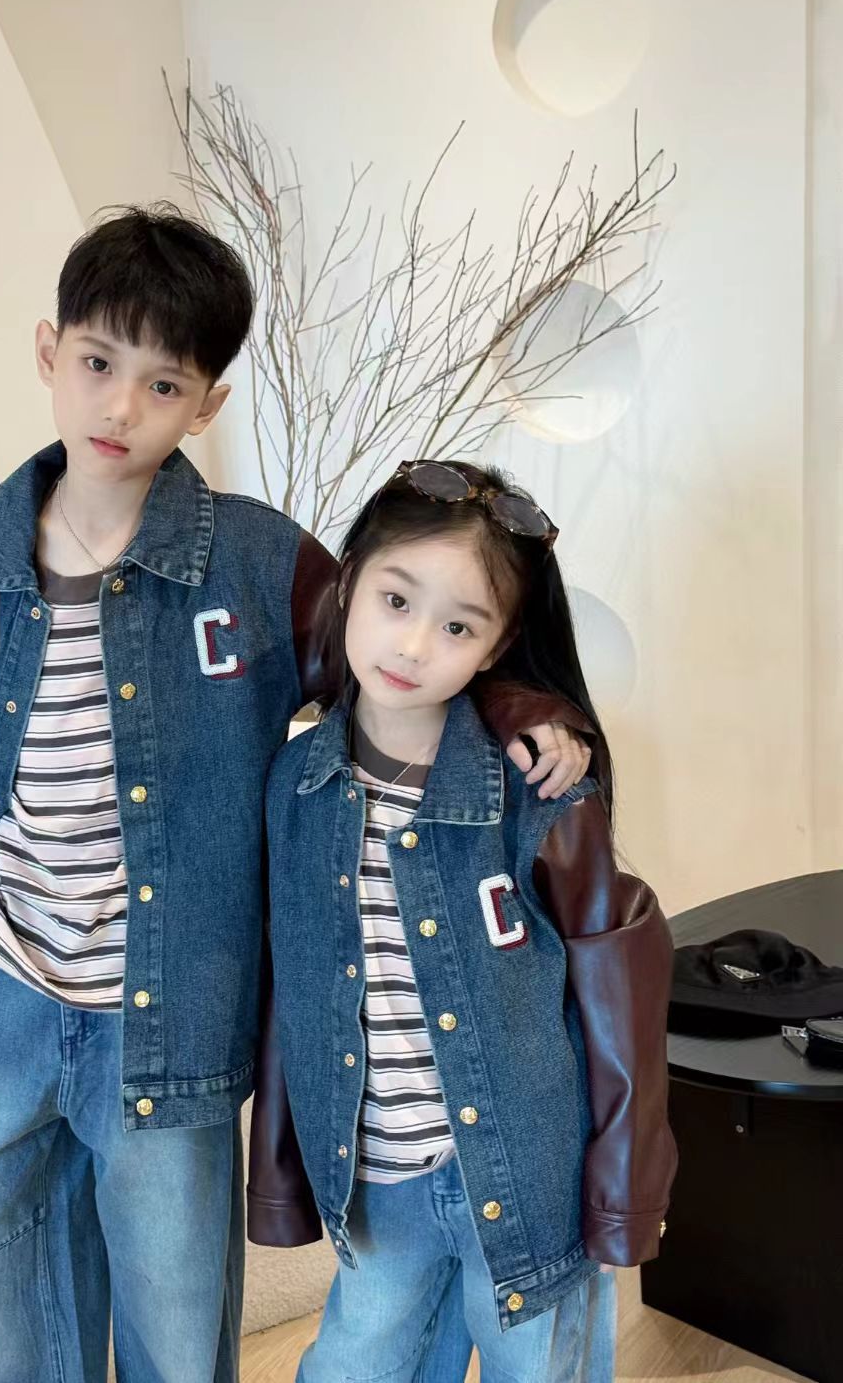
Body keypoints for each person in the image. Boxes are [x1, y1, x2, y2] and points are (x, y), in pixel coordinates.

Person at [0, 208, 592, 1383]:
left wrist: (517, 707)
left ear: (204, 404)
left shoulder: (257, 562)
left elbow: (393, 657)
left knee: (174, 1303)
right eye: (97, 362)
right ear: (49, 351)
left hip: (170, 1011)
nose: (120, 405)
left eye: (163, 383)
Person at [253, 459, 677, 1382]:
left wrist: (621, 1188)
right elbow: (294, 987)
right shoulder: (294, 785)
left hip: (530, 1180)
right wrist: (279, 1172)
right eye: (396, 600)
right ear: (350, 579)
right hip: (379, 1187)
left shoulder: (540, 792)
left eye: (457, 626)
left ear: (495, 645)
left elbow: (617, 995)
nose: (412, 645)